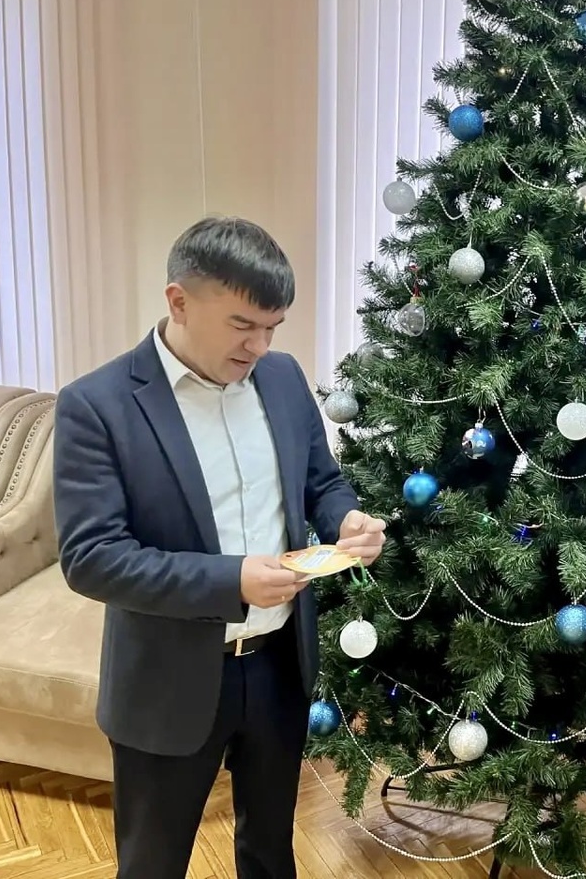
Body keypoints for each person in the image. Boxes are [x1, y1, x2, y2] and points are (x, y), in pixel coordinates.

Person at [53, 216, 385, 879]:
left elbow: (319, 482)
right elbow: (92, 558)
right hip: (167, 681)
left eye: (273, 327)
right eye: (243, 325)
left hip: (279, 667)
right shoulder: (97, 405)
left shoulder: (282, 378)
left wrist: (346, 519)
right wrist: (230, 582)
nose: (260, 345)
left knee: (270, 854)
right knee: (152, 865)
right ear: (179, 302)